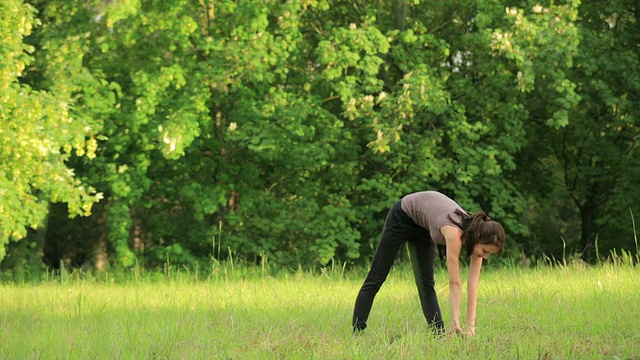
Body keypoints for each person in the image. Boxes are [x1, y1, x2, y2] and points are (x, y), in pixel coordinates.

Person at [352, 190, 505, 336]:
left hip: (423, 227)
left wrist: (470, 327)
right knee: (377, 276)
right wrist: (455, 323)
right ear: (478, 238)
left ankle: (439, 334)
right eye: (485, 251)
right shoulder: (454, 234)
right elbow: (455, 282)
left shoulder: (478, 238)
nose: (485, 257)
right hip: (402, 216)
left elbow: (473, 286)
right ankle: (357, 331)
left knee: (426, 283)